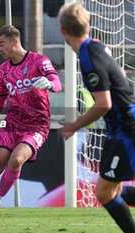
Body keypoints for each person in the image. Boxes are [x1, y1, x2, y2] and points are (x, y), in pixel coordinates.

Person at [0, 25, 62, 219]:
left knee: (16, 160)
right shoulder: (3, 70)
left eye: (1, 44)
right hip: (12, 123)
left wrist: (50, 84)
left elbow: (56, 81)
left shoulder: (39, 61)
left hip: (36, 126)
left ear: (14, 41)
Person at [58, 2, 135, 232]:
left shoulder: (88, 56)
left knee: (103, 191)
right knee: (113, 190)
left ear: (63, 30)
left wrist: (74, 125)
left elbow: (104, 103)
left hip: (126, 129)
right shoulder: (97, 46)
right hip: (120, 129)